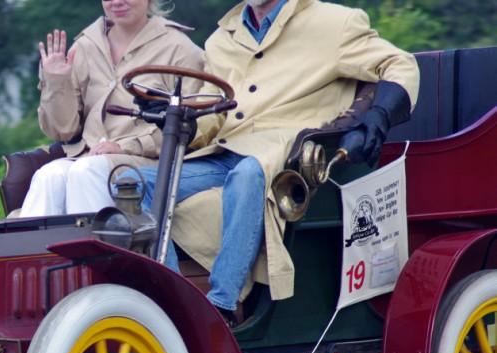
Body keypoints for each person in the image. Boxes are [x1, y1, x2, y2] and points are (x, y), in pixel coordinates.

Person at [130, 0, 420, 325]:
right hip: (224, 151)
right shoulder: (222, 39)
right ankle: (174, 301)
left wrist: (379, 115)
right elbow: (212, 115)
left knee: (248, 172)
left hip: (285, 153)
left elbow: (400, 63)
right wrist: (177, 120)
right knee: (131, 183)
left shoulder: (334, 23)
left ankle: (220, 308)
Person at [19, 0, 204, 217]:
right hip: (87, 157)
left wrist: (125, 147)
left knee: (86, 172)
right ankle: (30, 251)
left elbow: (193, 129)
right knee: (48, 175)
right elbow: (63, 131)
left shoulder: (180, 49)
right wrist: (56, 82)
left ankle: (100, 250)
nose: (116, 2)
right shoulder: (84, 47)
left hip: (149, 162)